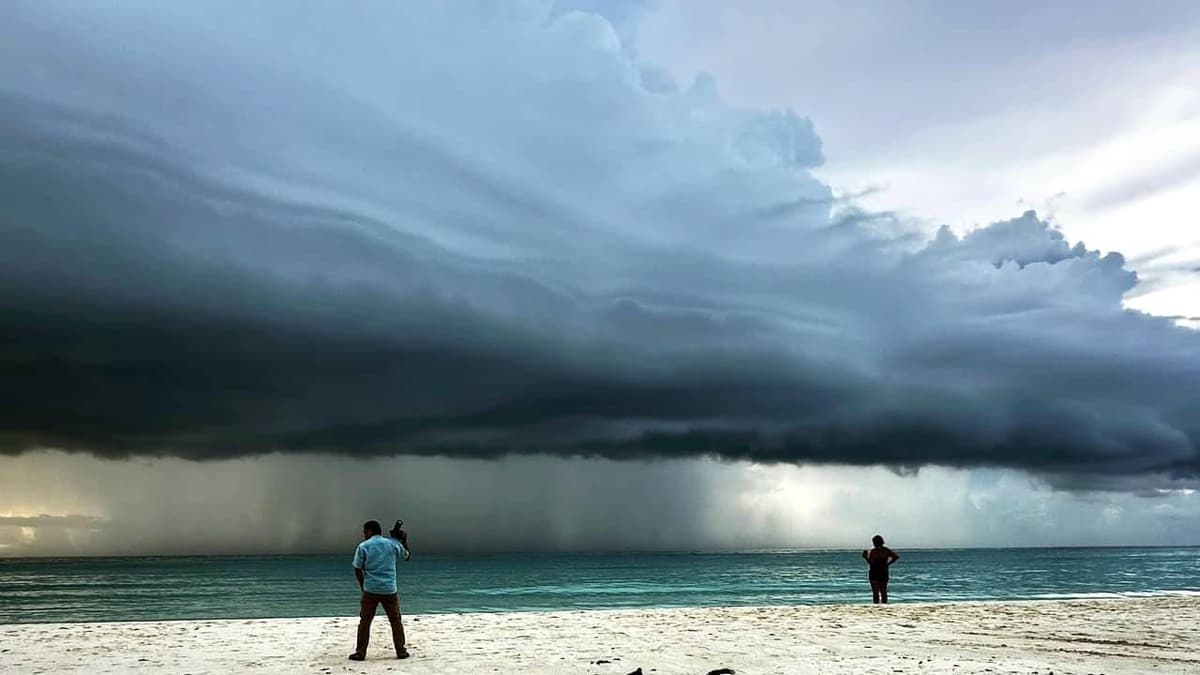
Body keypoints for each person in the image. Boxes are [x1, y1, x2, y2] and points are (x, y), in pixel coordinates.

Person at [350, 519, 411, 661]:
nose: (364, 534)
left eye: (365, 532)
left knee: (365, 621)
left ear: (369, 531)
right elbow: (407, 556)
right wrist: (403, 540)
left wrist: (363, 586)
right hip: (390, 590)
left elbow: (357, 569)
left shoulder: (363, 546)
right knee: (395, 620)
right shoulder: (393, 544)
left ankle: (360, 652)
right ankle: (400, 650)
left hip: (370, 589)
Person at [862, 534, 899, 604]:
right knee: (883, 592)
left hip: (874, 572)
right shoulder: (885, 550)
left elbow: (871, 563)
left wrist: (865, 557)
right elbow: (895, 557)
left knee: (876, 593)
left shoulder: (873, 551)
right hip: (883, 571)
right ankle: (884, 606)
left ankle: (877, 606)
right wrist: (888, 564)